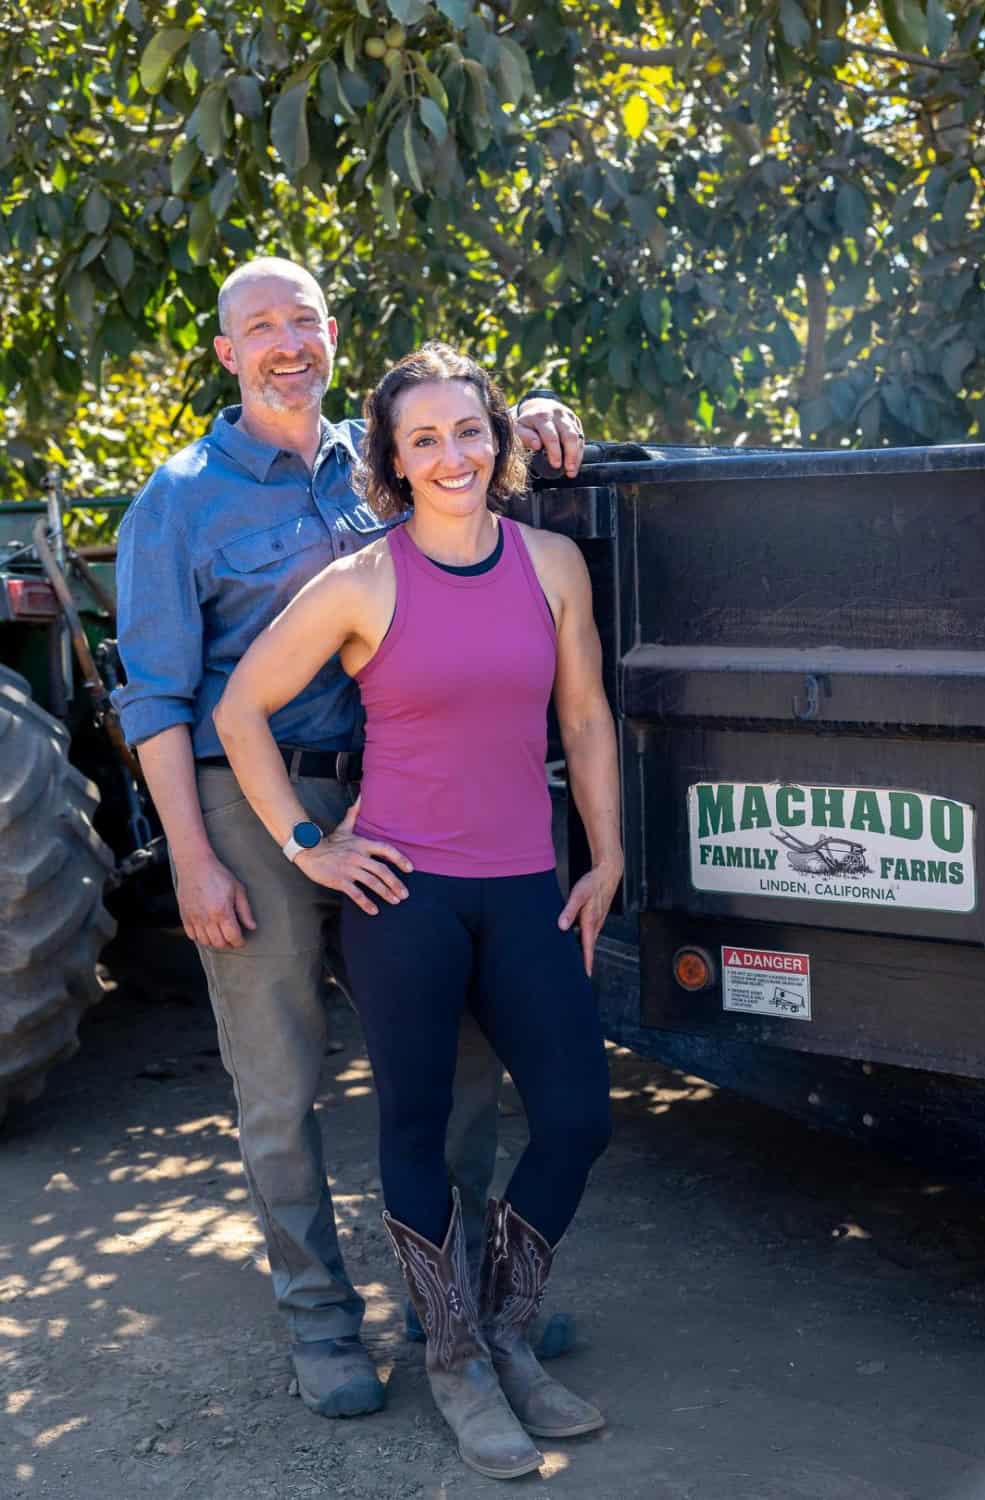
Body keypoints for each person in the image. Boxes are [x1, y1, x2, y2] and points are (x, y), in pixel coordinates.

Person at [112, 259, 587, 1420]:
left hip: (399, 798)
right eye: (258, 326)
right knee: (281, 1079)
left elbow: (457, 471)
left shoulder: (372, 466)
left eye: (305, 321)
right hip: (248, 802)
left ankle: (463, 1306)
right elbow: (158, 699)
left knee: (463, 1063)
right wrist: (193, 852)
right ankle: (321, 1321)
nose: (286, 342)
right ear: (225, 352)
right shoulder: (176, 499)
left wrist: (524, 419)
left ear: (332, 335)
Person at [213, 342, 622, 1479]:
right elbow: (241, 709)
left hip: (524, 884)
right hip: (405, 896)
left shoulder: (550, 564)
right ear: (393, 461)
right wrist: (310, 843)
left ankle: (497, 1324)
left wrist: (606, 857)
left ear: (498, 440)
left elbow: (584, 719)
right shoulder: (361, 580)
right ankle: (453, 1359)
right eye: (424, 438)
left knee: (577, 1118)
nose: (453, 454)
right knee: (413, 1128)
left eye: (470, 430)